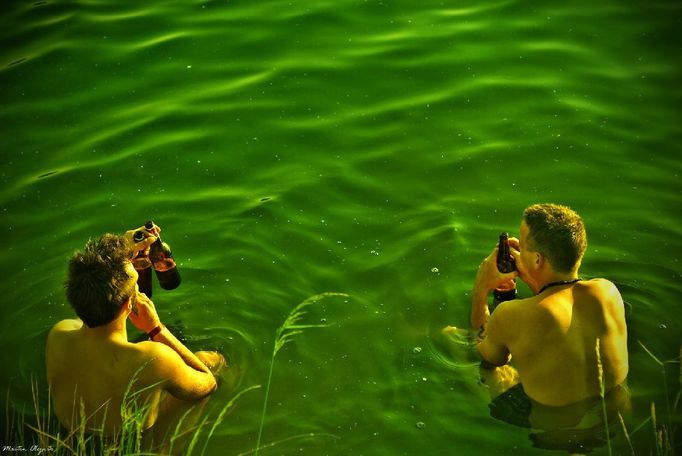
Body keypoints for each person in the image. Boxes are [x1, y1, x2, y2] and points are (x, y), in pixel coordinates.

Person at [452, 204, 629, 433]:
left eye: (522, 247)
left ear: (537, 260)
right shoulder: (608, 292)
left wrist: (481, 288)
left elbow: (487, 355)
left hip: (554, 432)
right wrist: (537, 279)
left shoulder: (512, 315)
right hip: (614, 419)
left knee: (462, 344)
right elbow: (561, 304)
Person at [46, 227, 226, 449]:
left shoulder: (59, 335)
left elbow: (92, 303)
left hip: (76, 437)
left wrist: (123, 250)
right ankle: (165, 450)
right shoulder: (151, 359)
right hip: (131, 444)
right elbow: (208, 384)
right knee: (211, 361)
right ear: (128, 305)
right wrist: (156, 330)